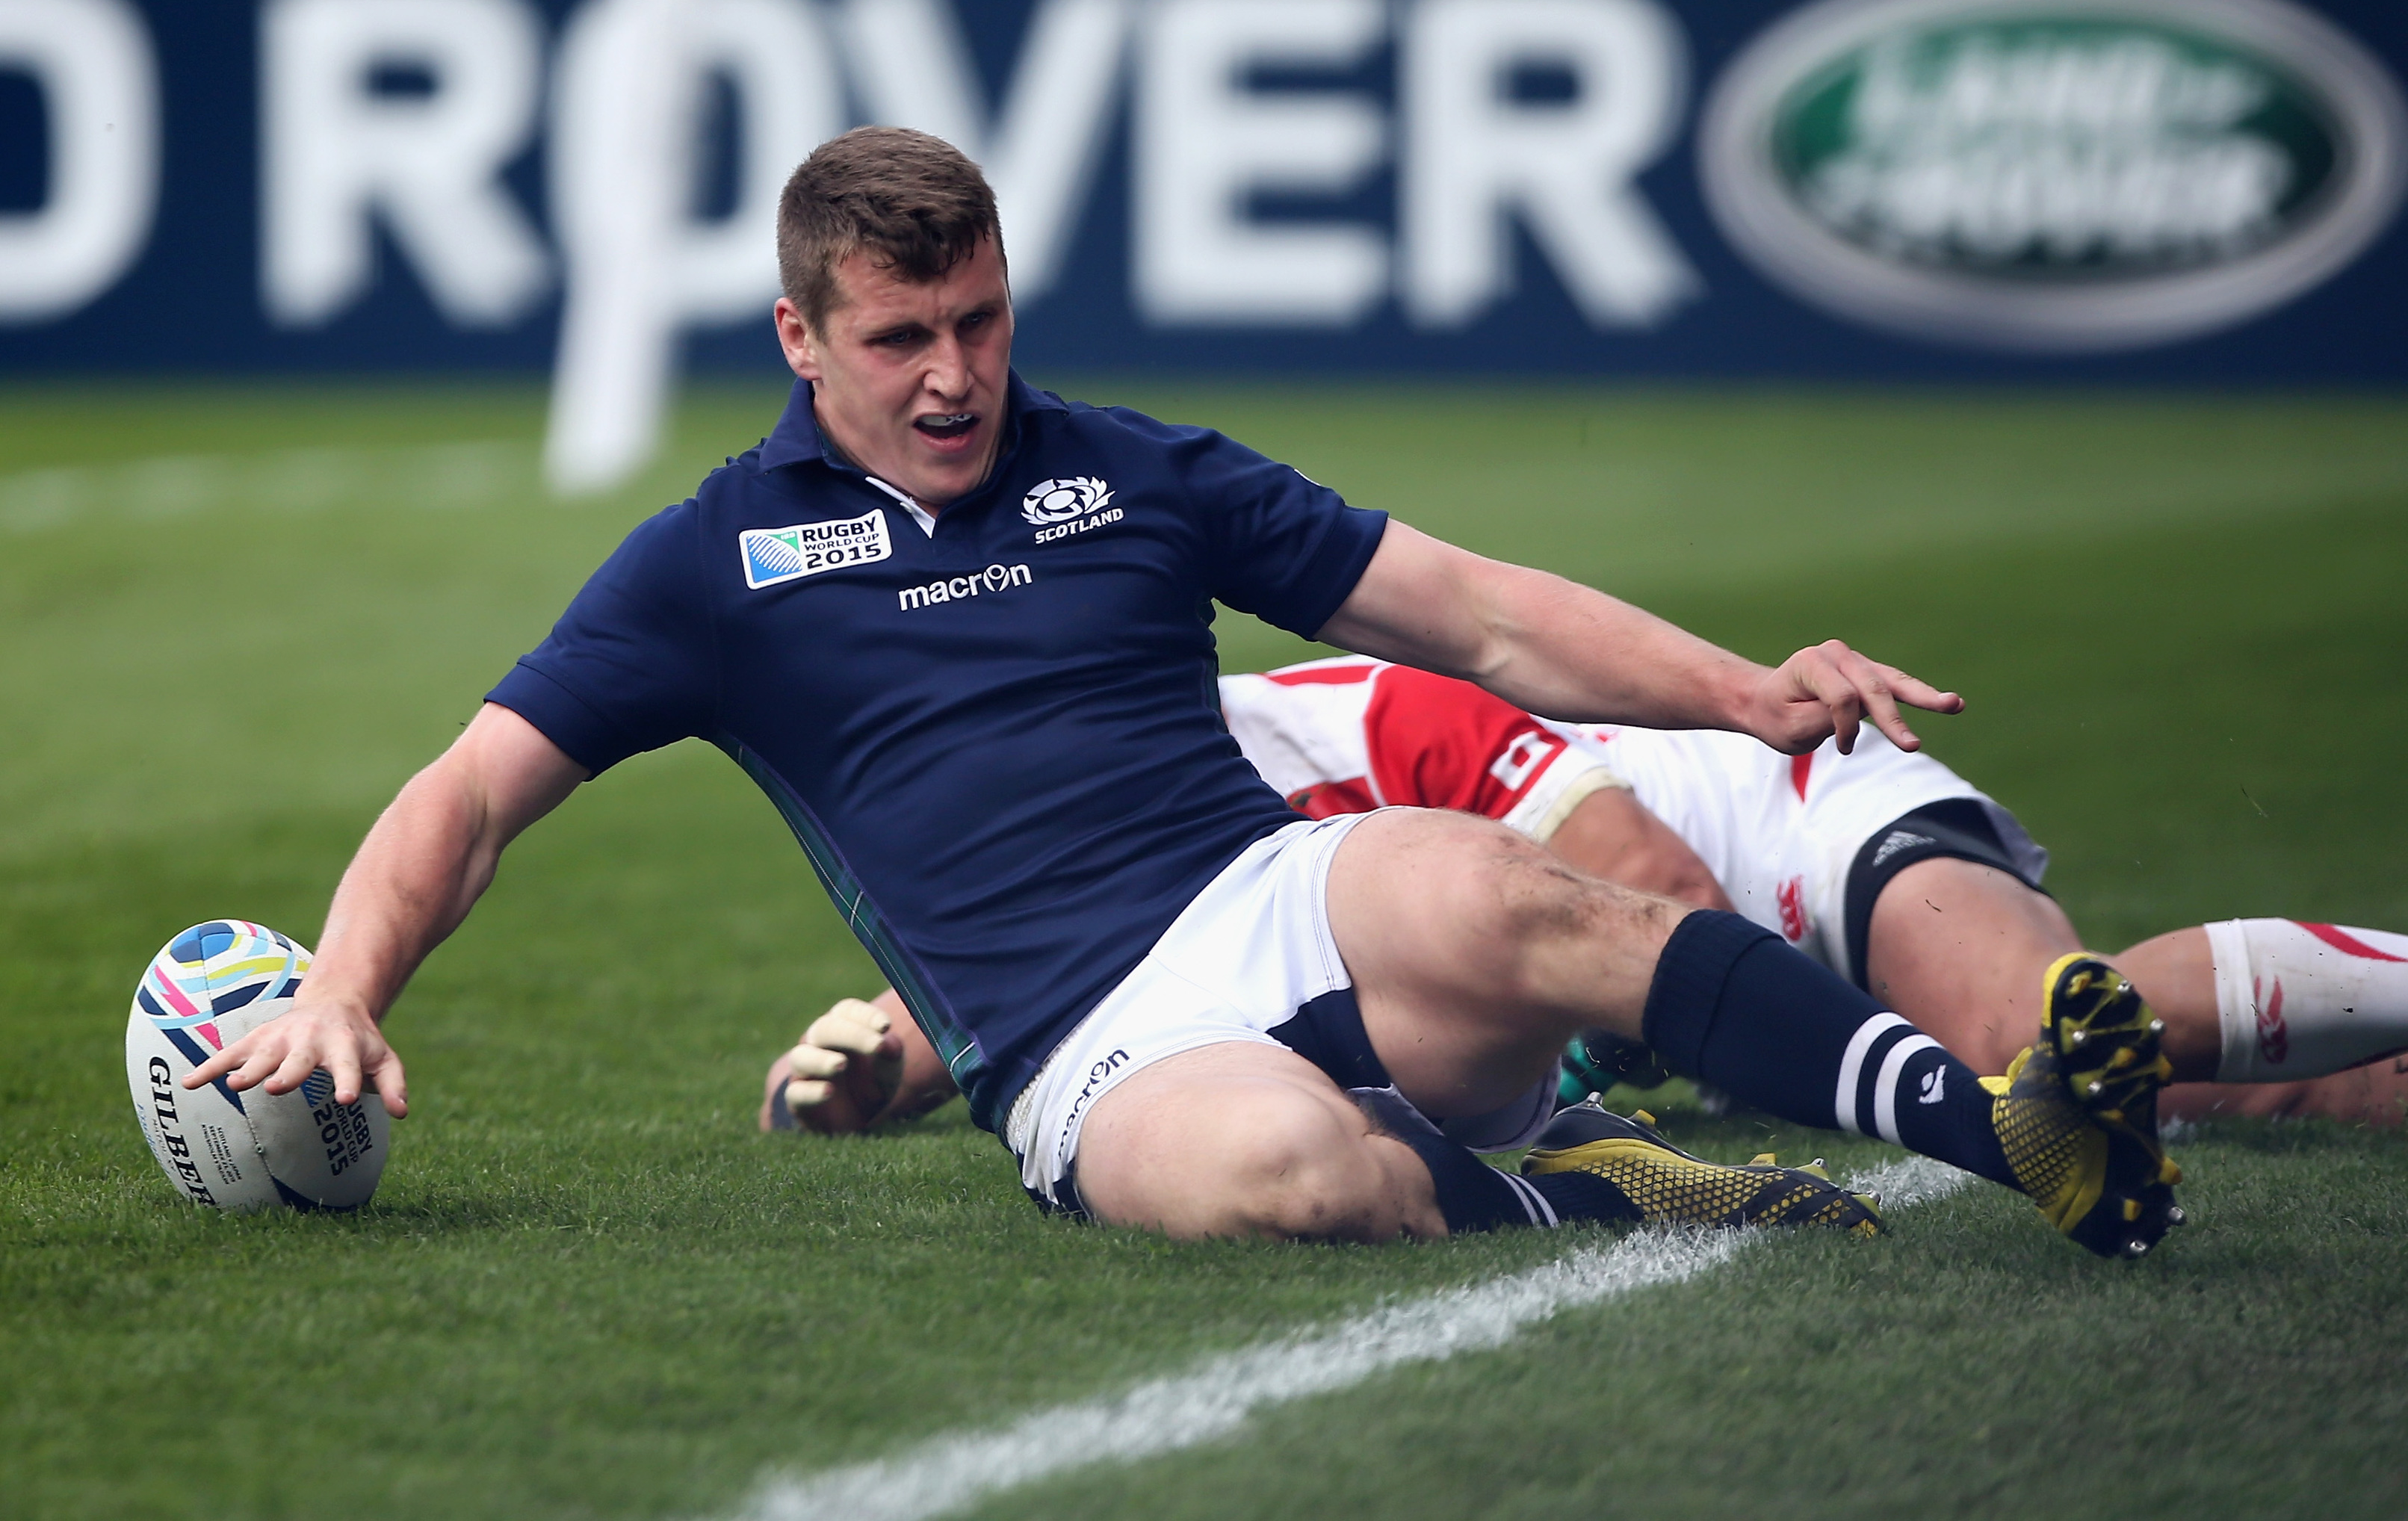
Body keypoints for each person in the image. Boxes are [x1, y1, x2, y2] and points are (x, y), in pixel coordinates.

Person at [186, 126, 2181, 1257]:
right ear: (801, 339)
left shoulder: (1131, 469)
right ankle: (1577, 1186)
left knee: (1516, 894)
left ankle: (2017, 1139)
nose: (956, 373)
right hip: (1081, 1048)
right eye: (901, 339)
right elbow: (467, 797)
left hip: (1271, 897)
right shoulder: (716, 564)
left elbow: (1471, 611)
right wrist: (347, 987)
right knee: (1293, 1183)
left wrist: (1742, 692)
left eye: (980, 319)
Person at [771, 657, 2408, 1141]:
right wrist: (852, 1081)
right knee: (2223, 1103)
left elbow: (1663, 890)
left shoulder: (1358, 716)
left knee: (2022, 1034)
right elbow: (1028, 1005)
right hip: (1675, 977)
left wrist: (1539, 1065)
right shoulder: (1111, 834)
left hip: (1788, 835)